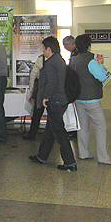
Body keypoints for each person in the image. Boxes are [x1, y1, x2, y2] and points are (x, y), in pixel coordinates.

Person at [29, 36, 77, 172]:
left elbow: (51, 83)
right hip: (61, 100)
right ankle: (42, 156)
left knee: (59, 132)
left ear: (48, 49)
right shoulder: (59, 60)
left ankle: (70, 162)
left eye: (43, 48)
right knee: (50, 130)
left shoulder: (50, 63)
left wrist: (45, 97)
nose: (43, 51)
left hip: (55, 101)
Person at [70, 34, 111, 165]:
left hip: (78, 98)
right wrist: (100, 65)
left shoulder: (73, 60)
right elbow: (102, 77)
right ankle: (103, 156)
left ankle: (83, 153)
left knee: (83, 127)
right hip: (92, 99)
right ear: (89, 46)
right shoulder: (91, 61)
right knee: (100, 126)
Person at [24, 53, 45, 141]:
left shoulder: (41, 59)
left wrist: (31, 89)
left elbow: (33, 75)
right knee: (53, 115)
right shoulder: (58, 59)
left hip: (40, 90)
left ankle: (32, 134)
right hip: (52, 91)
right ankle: (51, 134)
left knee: (37, 114)